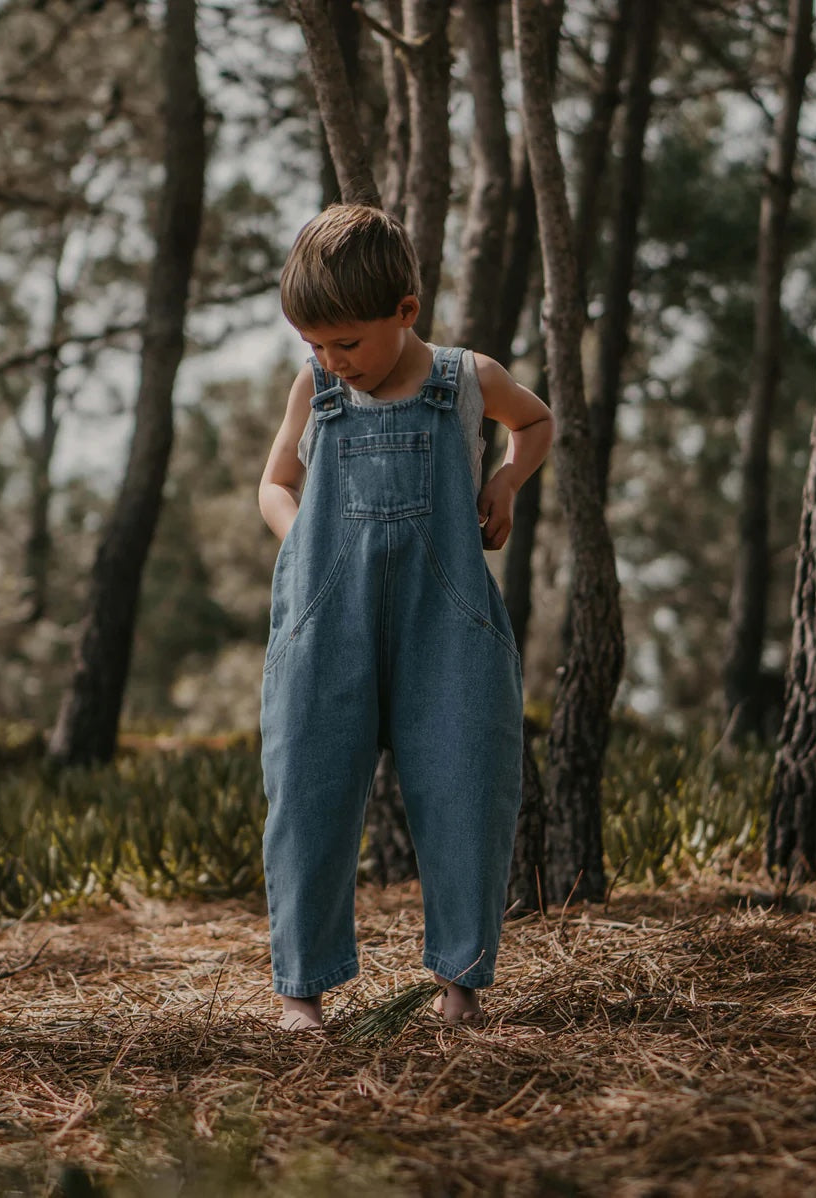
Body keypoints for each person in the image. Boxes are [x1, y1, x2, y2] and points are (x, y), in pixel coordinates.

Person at [258, 204, 554, 1031]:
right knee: (307, 796)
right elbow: (273, 484)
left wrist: (503, 482)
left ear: (405, 313)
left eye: (346, 341)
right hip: (326, 624)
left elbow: (534, 422)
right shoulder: (314, 390)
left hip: (447, 626)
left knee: (467, 788)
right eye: (314, 343)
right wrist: (299, 545)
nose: (331, 359)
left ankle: (460, 987)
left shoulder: (466, 381)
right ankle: (301, 994)